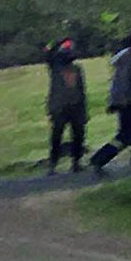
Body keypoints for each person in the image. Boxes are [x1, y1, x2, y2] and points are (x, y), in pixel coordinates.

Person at [90, 32, 131, 175]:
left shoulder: (127, 58)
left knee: (125, 135)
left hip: (127, 102)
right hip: (129, 103)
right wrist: (122, 101)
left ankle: (100, 159)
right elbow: (122, 82)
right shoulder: (127, 59)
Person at [44, 37, 87, 174]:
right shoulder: (55, 66)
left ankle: (76, 162)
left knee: (78, 135)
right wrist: (57, 42)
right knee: (57, 136)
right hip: (60, 107)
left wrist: (84, 109)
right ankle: (53, 164)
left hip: (75, 106)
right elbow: (47, 52)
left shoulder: (77, 69)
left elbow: (81, 90)